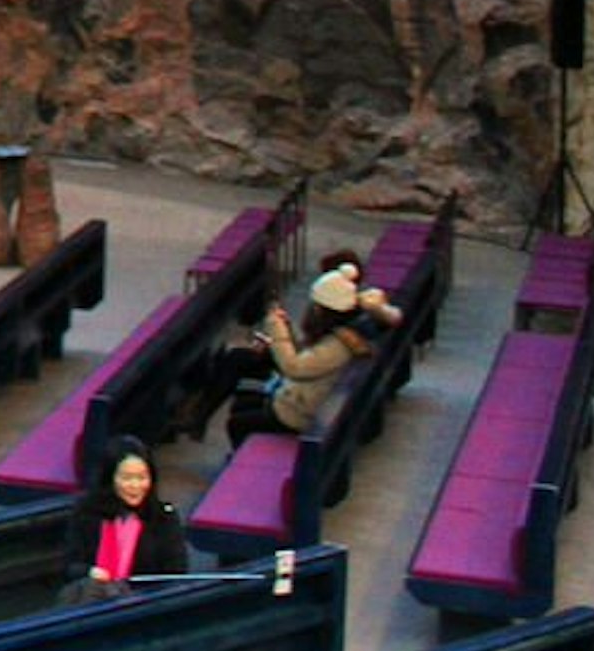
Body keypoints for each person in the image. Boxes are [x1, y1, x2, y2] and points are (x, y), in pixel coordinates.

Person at [230, 252, 407, 439]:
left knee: (237, 423)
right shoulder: (348, 332)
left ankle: (245, 464)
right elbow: (311, 357)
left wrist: (276, 328)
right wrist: (284, 334)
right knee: (243, 402)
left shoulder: (338, 346)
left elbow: (295, 368)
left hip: (302, 416)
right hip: (309, 402)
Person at [60, 438, 192, 600]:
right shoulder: (87, 511)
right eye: (127, 478)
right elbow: (70, 566)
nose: (135, 486)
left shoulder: (163, 517)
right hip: (94, 601)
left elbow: (175, 573)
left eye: (142, 477)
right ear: (111, 478)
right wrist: (91, 572)